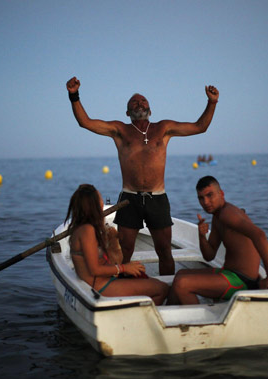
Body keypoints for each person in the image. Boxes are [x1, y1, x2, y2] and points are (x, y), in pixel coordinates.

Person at [66, 76, 219, 275]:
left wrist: (212, 102)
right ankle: (122, 287)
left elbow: (200, 127)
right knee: (125, 251)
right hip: (130, 199)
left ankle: (168, 289)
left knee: (164, 250)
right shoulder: (120, 130)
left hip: (158, 198)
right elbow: (85, 122)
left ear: (150, 110)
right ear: (128, 112)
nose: (139, 103)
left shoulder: (163, 128)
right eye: (134, 102)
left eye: (143, 100)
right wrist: (74, 95)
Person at [167, 176, 268, 305]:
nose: (206, 202)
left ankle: (201, 323)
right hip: (229, 273)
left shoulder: (228, 214)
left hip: (241, 281)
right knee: (181, 274)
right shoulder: (217, 217)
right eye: (201, 198)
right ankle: (167, 315)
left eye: (210, 195)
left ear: (221, 194)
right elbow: (209, 256)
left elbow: (259, 235)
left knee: (182, 284)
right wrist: (202, 236)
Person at [65, 184, 169, 305]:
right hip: (99, 285)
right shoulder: (87, 230)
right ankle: (138, 320)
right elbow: (94, 270)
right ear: (93, 205)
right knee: (162, 288)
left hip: (101, 281)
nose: (102, 202)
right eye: (100, 198)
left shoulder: (82, 228)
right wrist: (124, 268)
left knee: (151, 283)